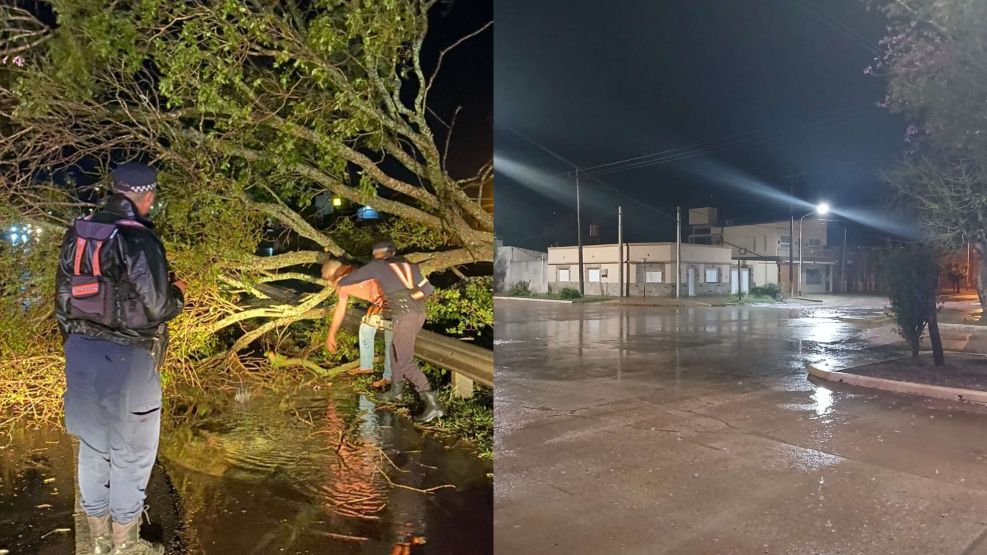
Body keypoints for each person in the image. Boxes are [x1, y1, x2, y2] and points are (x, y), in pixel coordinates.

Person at [55, 161, 185, 555]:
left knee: (93, 448)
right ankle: (125, 544)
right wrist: (178, 292)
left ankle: (98, 541)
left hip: (81, 353)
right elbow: (159, 306)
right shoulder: (139, 239)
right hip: (129, 359)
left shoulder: (78, 234)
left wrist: (77, 345)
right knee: (133, 454)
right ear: (148, 196)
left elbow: (61, 301)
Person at [334, 240, 445, 422]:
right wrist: (411, 297)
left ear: (377, 253)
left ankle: (433, 404)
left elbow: (351, 278)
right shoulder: (409, 266)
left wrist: (338, 281)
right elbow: (427, 289)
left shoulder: (377, 265)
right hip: (418, 315)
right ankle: (396, 391)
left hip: (404, 317)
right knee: (394, 352)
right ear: (392, 252)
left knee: (405, 361)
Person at [322, 258, 394, 387]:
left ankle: (389, 377)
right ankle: (366, 366)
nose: (330, 283)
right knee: (366, 326)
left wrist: (384, 300)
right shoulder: (343, 286)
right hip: (380, 301)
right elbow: (340, 309)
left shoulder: (356, 274)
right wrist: (331, 334)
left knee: (390, 335)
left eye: (330, 278)